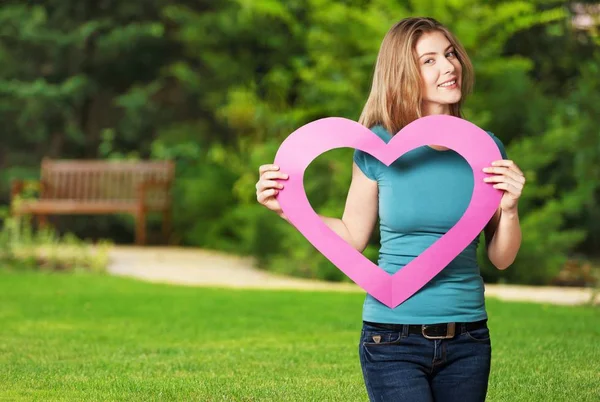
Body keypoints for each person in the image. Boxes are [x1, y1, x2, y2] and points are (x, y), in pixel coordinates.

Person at [255, 17, 525, 402]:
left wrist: (510, 209)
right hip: (391, 338)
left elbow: (501, 258)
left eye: (450, 54)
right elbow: (352, 235)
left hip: (468, 337)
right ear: (403, 73)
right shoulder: (374, 146)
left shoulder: (486, 149)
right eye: (428, 60)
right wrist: (289, 209)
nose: (448, 67)